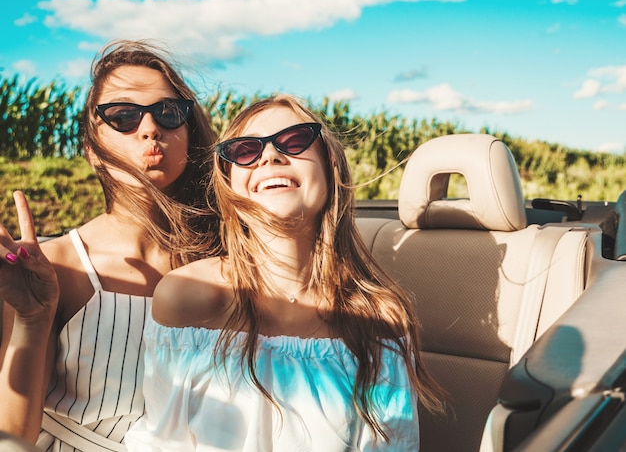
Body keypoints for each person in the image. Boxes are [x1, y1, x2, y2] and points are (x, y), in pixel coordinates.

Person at [124, 94, 444, 451]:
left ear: (330, 167)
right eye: (245, 150)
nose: (270, 156)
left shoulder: (380, 318)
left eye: (294, 140)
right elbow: (164, 442)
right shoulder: (186, 296)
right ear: (229, 182)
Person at [0, 40, 220, 450]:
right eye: (123, 116)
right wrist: (32, 317)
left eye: (169, 113)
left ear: (190, 137)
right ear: (92, 150)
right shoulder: (55, 266)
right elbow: (13, 436)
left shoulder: (223, 262)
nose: (151, 128)